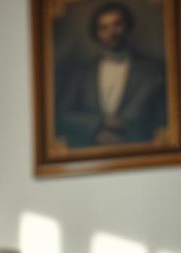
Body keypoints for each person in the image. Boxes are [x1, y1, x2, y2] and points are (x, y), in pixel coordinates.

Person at [56, 2, 167, 148]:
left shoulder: (153, 70)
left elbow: (164, 119)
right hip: (92, 149)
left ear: (128, 27)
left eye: (117, 24)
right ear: (96, 34)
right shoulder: (81, 74)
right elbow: (64, 116)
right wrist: (98, 125)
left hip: (139, 149)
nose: (112, 33)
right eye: (104, 28)